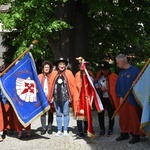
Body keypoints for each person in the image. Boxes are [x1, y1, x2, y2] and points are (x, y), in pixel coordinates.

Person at [115, 54, 145, 144]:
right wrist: (120, 96)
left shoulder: (135, 71)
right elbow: (118, 86)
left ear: (123, 62)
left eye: (118, 63)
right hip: (123, 99)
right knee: (123, 118)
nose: (117, 65)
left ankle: (136, 135)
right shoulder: (121, 73)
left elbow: (142, 84)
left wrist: (136, 85)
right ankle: (124, 133)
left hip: (132, 99)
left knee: (133, 118)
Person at [48, 57, 74, 136]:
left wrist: (71, 96)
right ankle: (59, 130)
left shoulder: (69, 73)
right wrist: (51, 96)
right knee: (58, 114)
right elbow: (51, 85)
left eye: (63, 64)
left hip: (66, 97)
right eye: (60, 64)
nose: (62, 66)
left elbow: (72, 85)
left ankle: (65, 129)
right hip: (56, 98)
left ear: (65, 65)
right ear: (57, 65)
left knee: (66, 113)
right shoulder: (54, 73)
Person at [95, 61, 119, 136]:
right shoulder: (99, 75)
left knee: (111, 113)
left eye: (105, 69)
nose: (104, 71)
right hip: (101, 97)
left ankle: (110, 129)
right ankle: (102, 129)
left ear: (108, 69)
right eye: (103, 69)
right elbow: (95, 83)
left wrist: (107, 89)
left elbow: (115, 88)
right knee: (100, 113)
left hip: (109, 98)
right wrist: (97, 87)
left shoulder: (113, 76)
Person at [73, 61, 94, 138]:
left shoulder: (89, 74)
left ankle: (87, 129)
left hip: (86, 97)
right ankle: (80, 131)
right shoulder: (77, 74)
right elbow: (76, 86)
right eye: (80, 65)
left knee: (87, 113)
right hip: (79, 98)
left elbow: (92, 84)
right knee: (79, 114)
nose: (81, 66)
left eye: (83, 65)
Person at [38, 60, 54, 135]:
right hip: (42, 97)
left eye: (48, 67)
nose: (46, 68)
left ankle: (50, 128)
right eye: (45, 67)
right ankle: (43, 128)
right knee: (43, 113)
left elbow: (54, 87)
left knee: (50, 113)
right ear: (43, 68)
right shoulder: (39, 76)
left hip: (50, 96)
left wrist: (53, 96)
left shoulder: (52, 76)